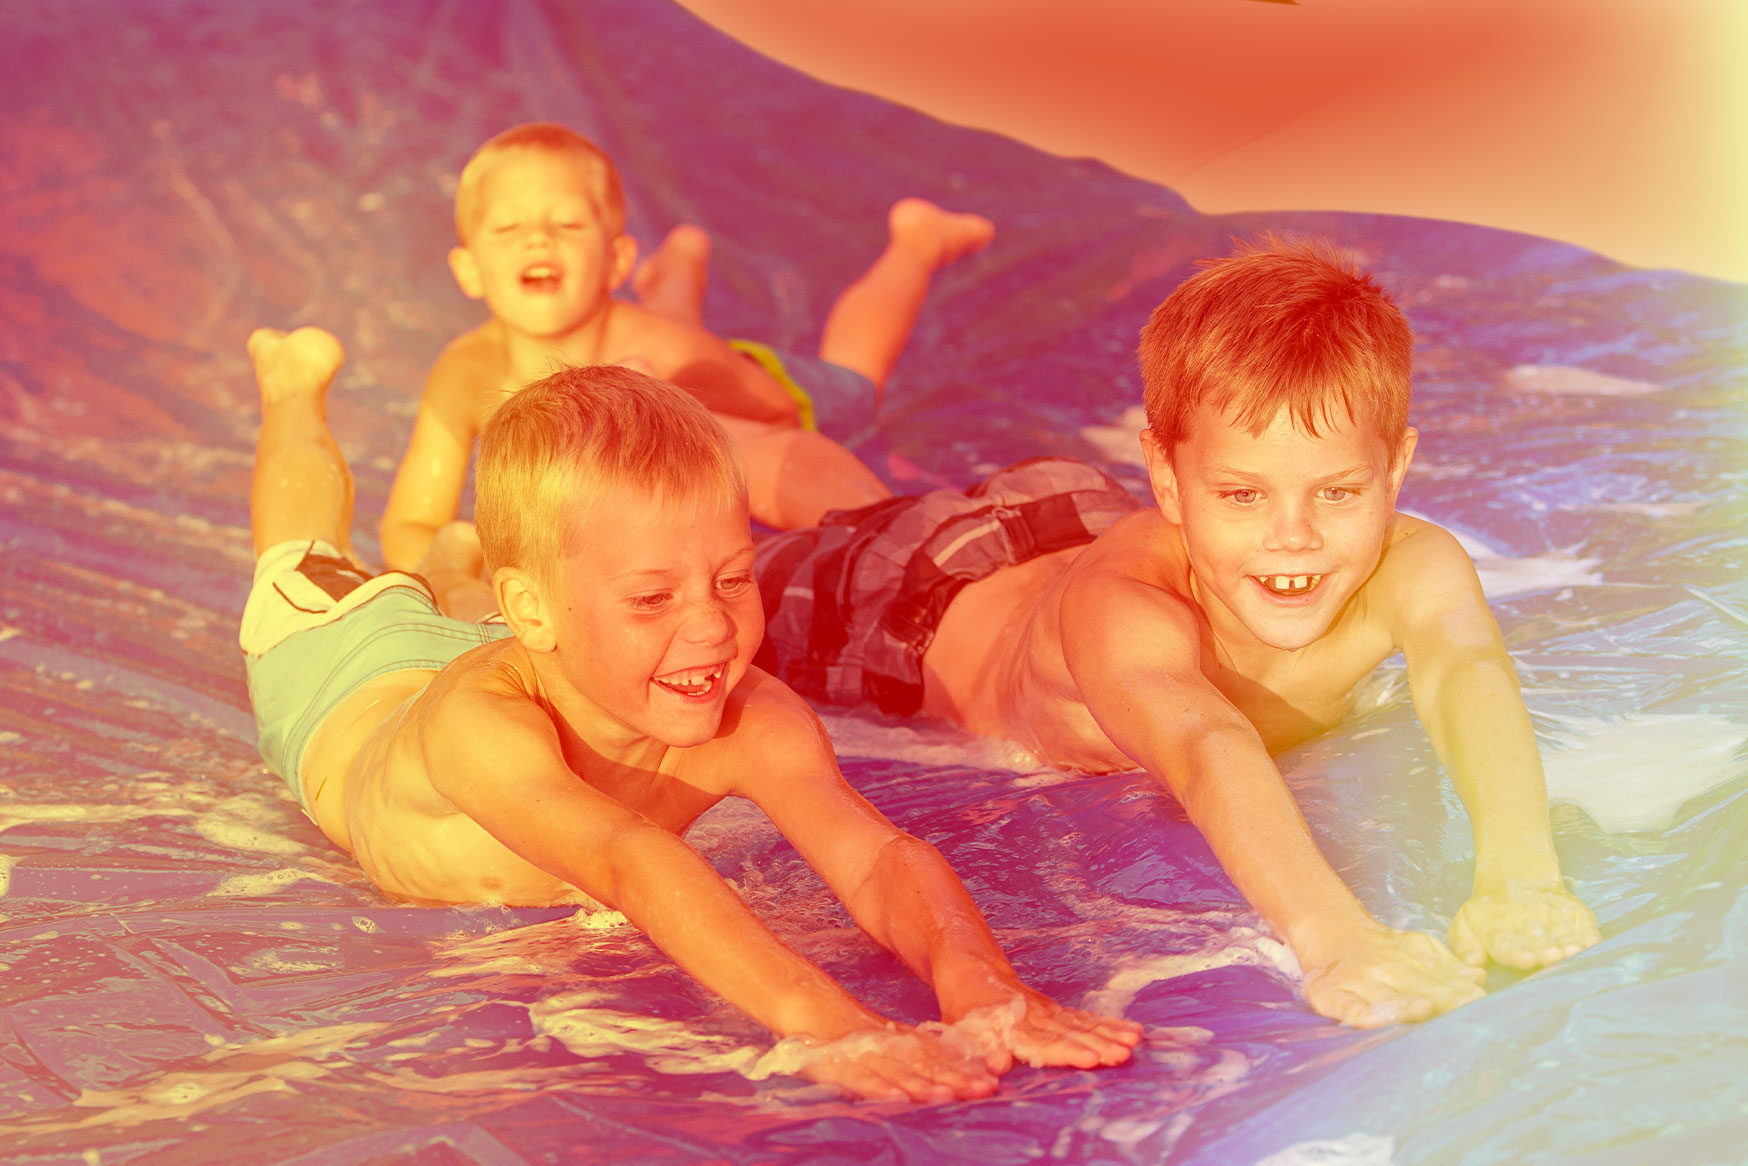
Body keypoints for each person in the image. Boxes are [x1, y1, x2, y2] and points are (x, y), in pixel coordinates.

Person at [239, 326, 1140, 1101]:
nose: (712, 628)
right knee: (302, 554)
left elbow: (876, 858)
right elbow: (629, 863)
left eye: (733, 578)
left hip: (521, 637)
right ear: (542, 613)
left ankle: (461, 570)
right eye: (654, 599)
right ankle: (292, 390)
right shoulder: (481, 732)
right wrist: (826, 1022)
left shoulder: (740, 711)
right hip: (348, 678)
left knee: (493, 607)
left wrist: (981, 984)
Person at [753, 238, 1601, 1029]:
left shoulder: (1413, 560)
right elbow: (1204, 743)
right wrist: (1338, 939)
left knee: (860, 502)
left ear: (1396, 469)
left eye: (1338, 493)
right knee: (790, 556)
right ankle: (704, 424)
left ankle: (778, 453)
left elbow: (1467, 673)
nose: (1293, 537)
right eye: (1243, 496)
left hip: (1082, 520)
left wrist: (1519, 878)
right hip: (926, 596)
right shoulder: (1123, 610)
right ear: (1167, 476)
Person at [380, 121, 994, 599]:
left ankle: (918, 243)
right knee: (656, 347)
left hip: (762, 390)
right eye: (508, 227)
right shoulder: (466, 373)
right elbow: (410, 522)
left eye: (566, 224)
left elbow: (775, 411)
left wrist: (686, 418)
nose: (537, 239)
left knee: (857, 373)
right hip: (654, 353)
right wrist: (456, 575)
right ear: (466, 270)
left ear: (616, 261)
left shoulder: (665, 352)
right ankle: (677, 270)